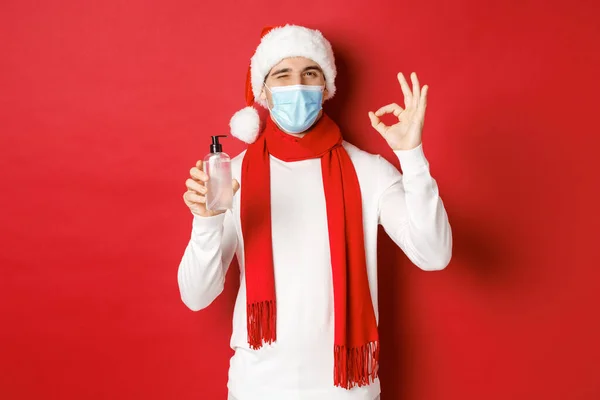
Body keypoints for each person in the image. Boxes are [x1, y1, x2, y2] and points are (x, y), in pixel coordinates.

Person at [178, 24, 452, 400]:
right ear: (264, 91)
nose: (298, 85)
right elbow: (196, 296)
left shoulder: (367, 170)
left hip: (347, 389)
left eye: (310, 73)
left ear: (326, 87)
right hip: (258, 387)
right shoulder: (232, 175)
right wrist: (206, 221)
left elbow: (434, 254)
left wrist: (412, 157)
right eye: (282, 74)